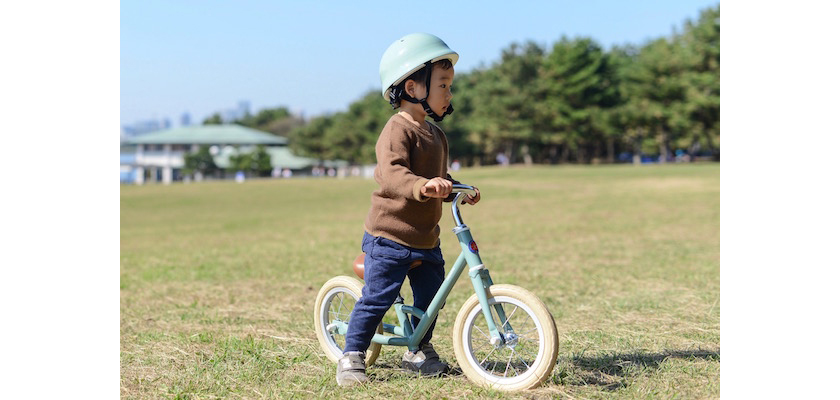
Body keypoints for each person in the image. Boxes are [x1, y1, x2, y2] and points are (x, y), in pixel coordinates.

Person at [336, 33, 480, 387]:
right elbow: (394, 174)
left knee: (433, 297)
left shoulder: (436, 135)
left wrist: (456, 188)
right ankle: (352, 354)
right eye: (443, 85)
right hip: (390, 236)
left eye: (450, 86)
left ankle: (416, 349)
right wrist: (422, 186)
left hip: (426, 238)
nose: (449, 93)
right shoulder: (396, 130)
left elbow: (439, 177)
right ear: (413, 88)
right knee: (378, 298)